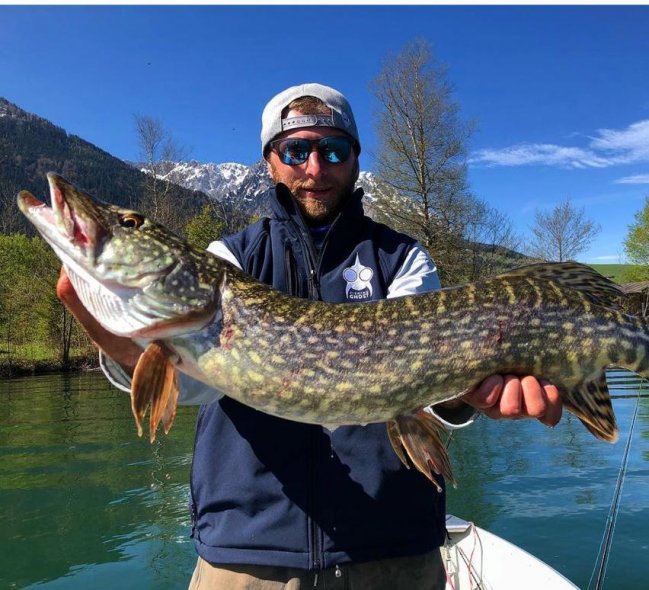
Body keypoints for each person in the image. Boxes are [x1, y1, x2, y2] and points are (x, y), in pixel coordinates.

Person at [57, 83, 563, 589]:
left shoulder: (403, 259)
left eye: (333, 150)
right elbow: (196, 385)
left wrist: (469, 396)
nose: (315, 168)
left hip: (392, 550)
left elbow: (425, 387)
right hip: (249, 551)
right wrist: (114, 330)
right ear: (271, 163)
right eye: (295, 151)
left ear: (355, 159)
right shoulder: (230, 259)